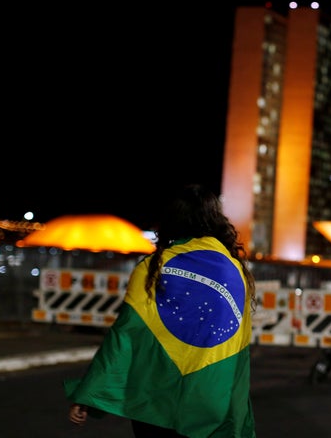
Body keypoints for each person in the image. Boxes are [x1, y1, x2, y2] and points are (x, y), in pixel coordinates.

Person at [65, 183, 257, 438]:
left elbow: (124, 334)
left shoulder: (153, 267)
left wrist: (89, 392)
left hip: (155, 400)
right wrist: (239, 413)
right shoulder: (236, 273)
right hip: (211, 400)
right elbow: (239, 350)